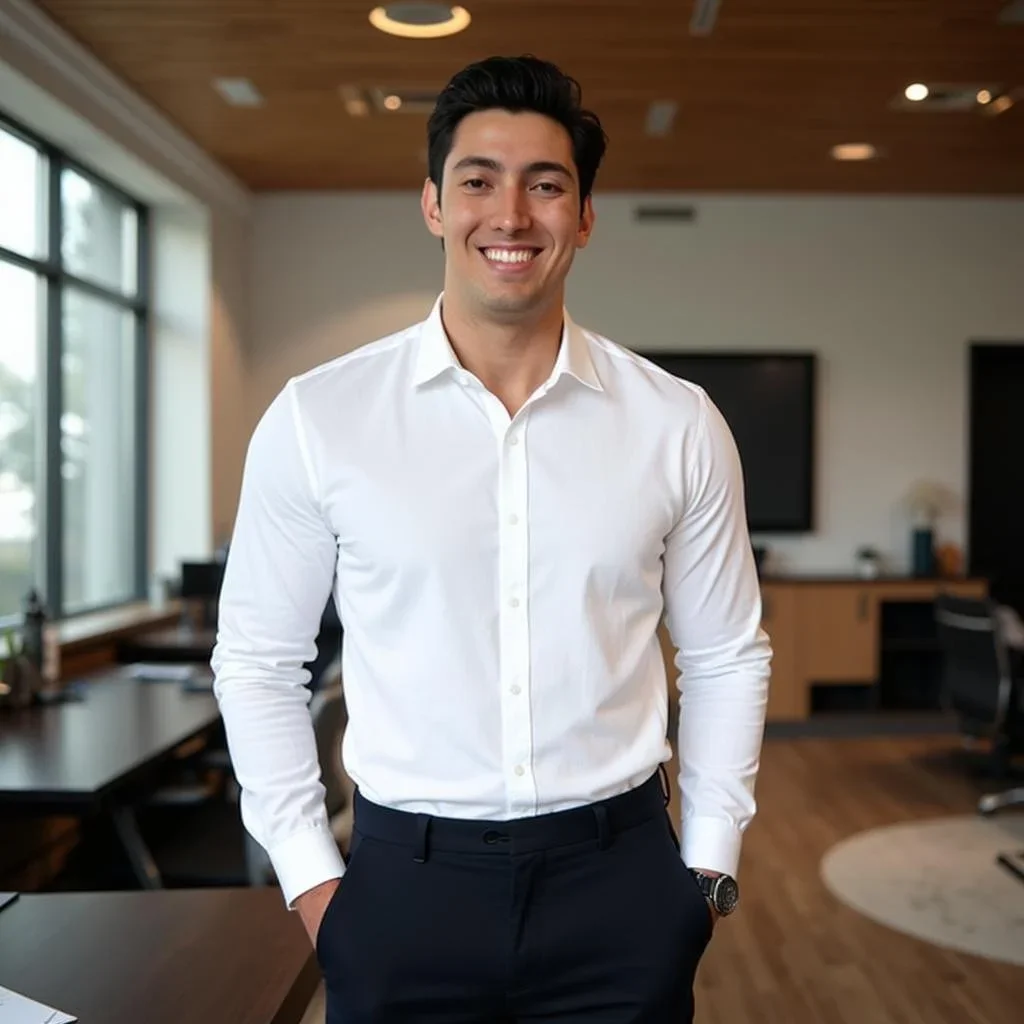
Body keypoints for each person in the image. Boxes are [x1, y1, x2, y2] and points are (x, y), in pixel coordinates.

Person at [212, 54, 772, 1024]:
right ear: (432, 203)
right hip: (399, 890)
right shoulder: (318, 419)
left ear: (584, 215)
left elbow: (726, 653)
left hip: (622, 889)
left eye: (545, 184)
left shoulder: (677, 423)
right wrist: (311, 883)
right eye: (478, 180)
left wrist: (708, 867)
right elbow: (259, 660)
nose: (510, 214)